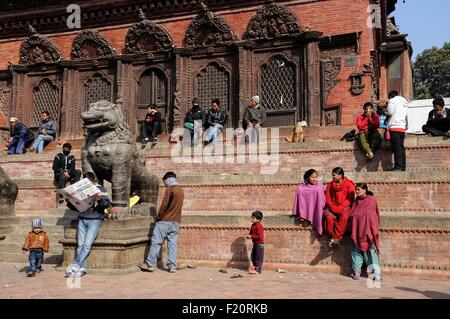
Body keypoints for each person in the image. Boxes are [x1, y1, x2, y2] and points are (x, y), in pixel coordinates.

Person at [65, 172, 110, 278]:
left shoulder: (101, 189)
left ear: (93, 181)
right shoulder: (82, 191)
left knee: (86, 245)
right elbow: (75, 207)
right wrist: (69, 201)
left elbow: (107, 204)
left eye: (88, 183)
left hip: (94, 220)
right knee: (80, 245)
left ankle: (75, 266)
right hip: (82, 219)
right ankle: (82, 269)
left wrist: (100, 200)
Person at [139, 172, 184, 273]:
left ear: (168, 179)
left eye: (165, 182)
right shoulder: (181, 190)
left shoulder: (170, 189)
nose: (164, 184)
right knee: (172, 244)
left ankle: (150, 264)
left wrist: (158, 217)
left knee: (156, 242)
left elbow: (164, 206)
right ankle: (172, 266)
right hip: (176, 222)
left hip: (165, 221)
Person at [348, 183, 382, 282]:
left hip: (368, 231)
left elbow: (373, 216)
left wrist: (371, 229)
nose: (356, 191)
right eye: (356, 189)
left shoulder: (371, 200)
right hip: (357, 230)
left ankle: (376, 274)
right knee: (356, 252)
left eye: (358, 189)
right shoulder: (356, 201)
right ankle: (356, 272)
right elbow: (353, 214)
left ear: (365, 190)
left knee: (372, 253)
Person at [323, 167, 355, 248]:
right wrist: (332, 207)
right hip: (332, 206)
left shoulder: (348, 184)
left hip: (344, 207)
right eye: (332, 175)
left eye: (334, 175)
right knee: (328, 217)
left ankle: (337, 238)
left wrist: (341, 207)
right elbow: (328, 198)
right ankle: (333, 236)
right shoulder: (330, 185)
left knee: (344, 217)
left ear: (340, 175)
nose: (332, 177)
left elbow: (350, 198)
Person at [291, 169, 326, 235]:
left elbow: (322, 197)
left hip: (317, 208)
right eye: (312, 177)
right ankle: (305, 214)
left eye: (316, 177)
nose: (314, 179)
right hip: (306, 208)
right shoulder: (302, 186)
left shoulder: (319, 185)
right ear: (308, 177)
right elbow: (299, 195)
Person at [386, 91, 408, 171]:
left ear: (390, 96)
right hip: (402, 127)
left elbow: (390, 112)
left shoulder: (392, 101)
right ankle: (403, 167)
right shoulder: (404, 102)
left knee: (396, 148)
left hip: (394, 127)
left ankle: (398, 166)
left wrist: (386, 116)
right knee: (401, 148)